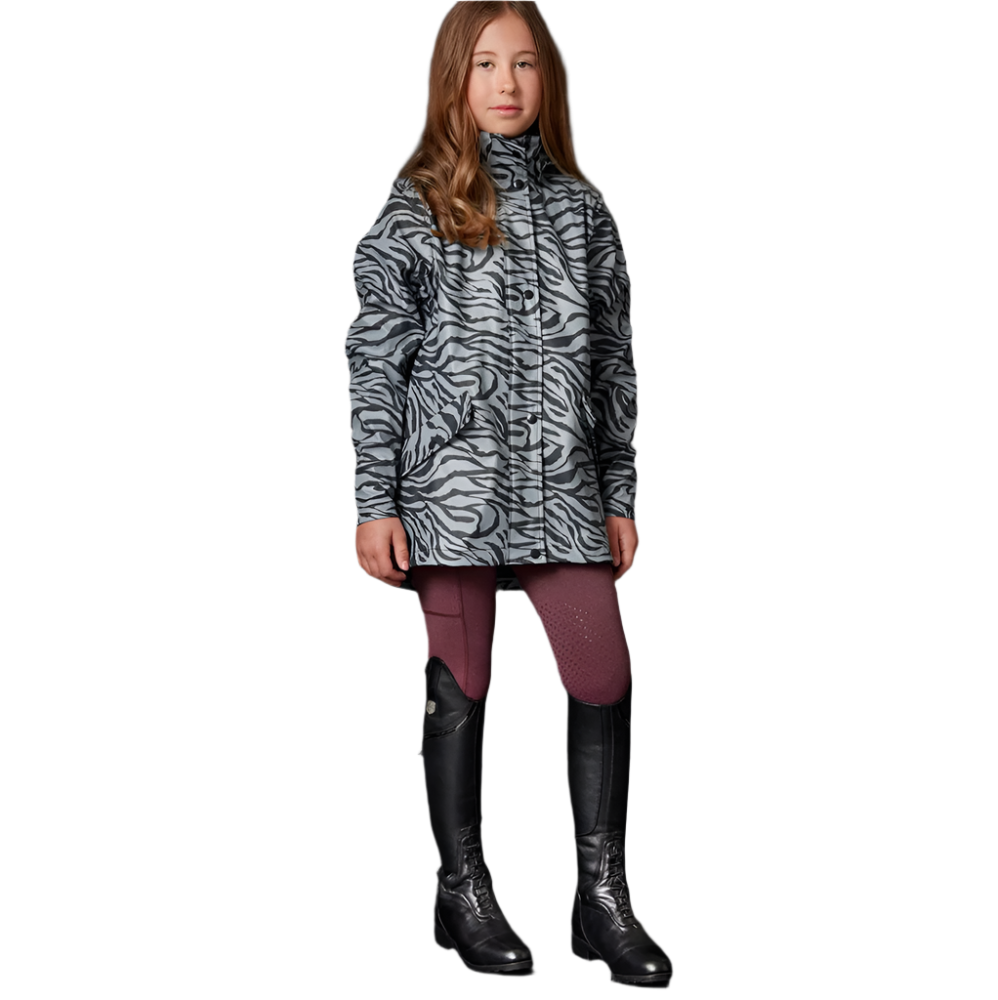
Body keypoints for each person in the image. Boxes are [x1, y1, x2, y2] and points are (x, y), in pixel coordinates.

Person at [343, 0, 672, 986]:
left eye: (524, 63)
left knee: (602, 675)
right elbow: (375, 359)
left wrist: (620, 492)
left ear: (548, 79)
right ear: (454, 78)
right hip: (451, 496)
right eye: (484, 63)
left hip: (566, 489)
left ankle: (600, 900)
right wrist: (374, 500)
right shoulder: (415, 204)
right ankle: (462, 892)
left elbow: (614, 363)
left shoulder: (585, 210)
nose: (505, 84)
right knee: (463, 682)